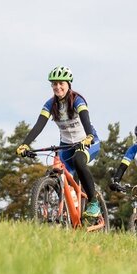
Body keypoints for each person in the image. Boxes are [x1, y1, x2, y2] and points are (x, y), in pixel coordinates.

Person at [16, 66, 103, 219]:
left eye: (61, 83)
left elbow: (85, 119)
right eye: (54, 84)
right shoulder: (50, 104)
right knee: (59, 174)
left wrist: (89, 136)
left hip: (88, 142)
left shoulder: (77, 100)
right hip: (66, 145)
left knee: (79, 161)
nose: (57, 87)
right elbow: (39, 125)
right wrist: (25, 144)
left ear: (68, 84)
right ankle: (70, 211)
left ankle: (93, 203)